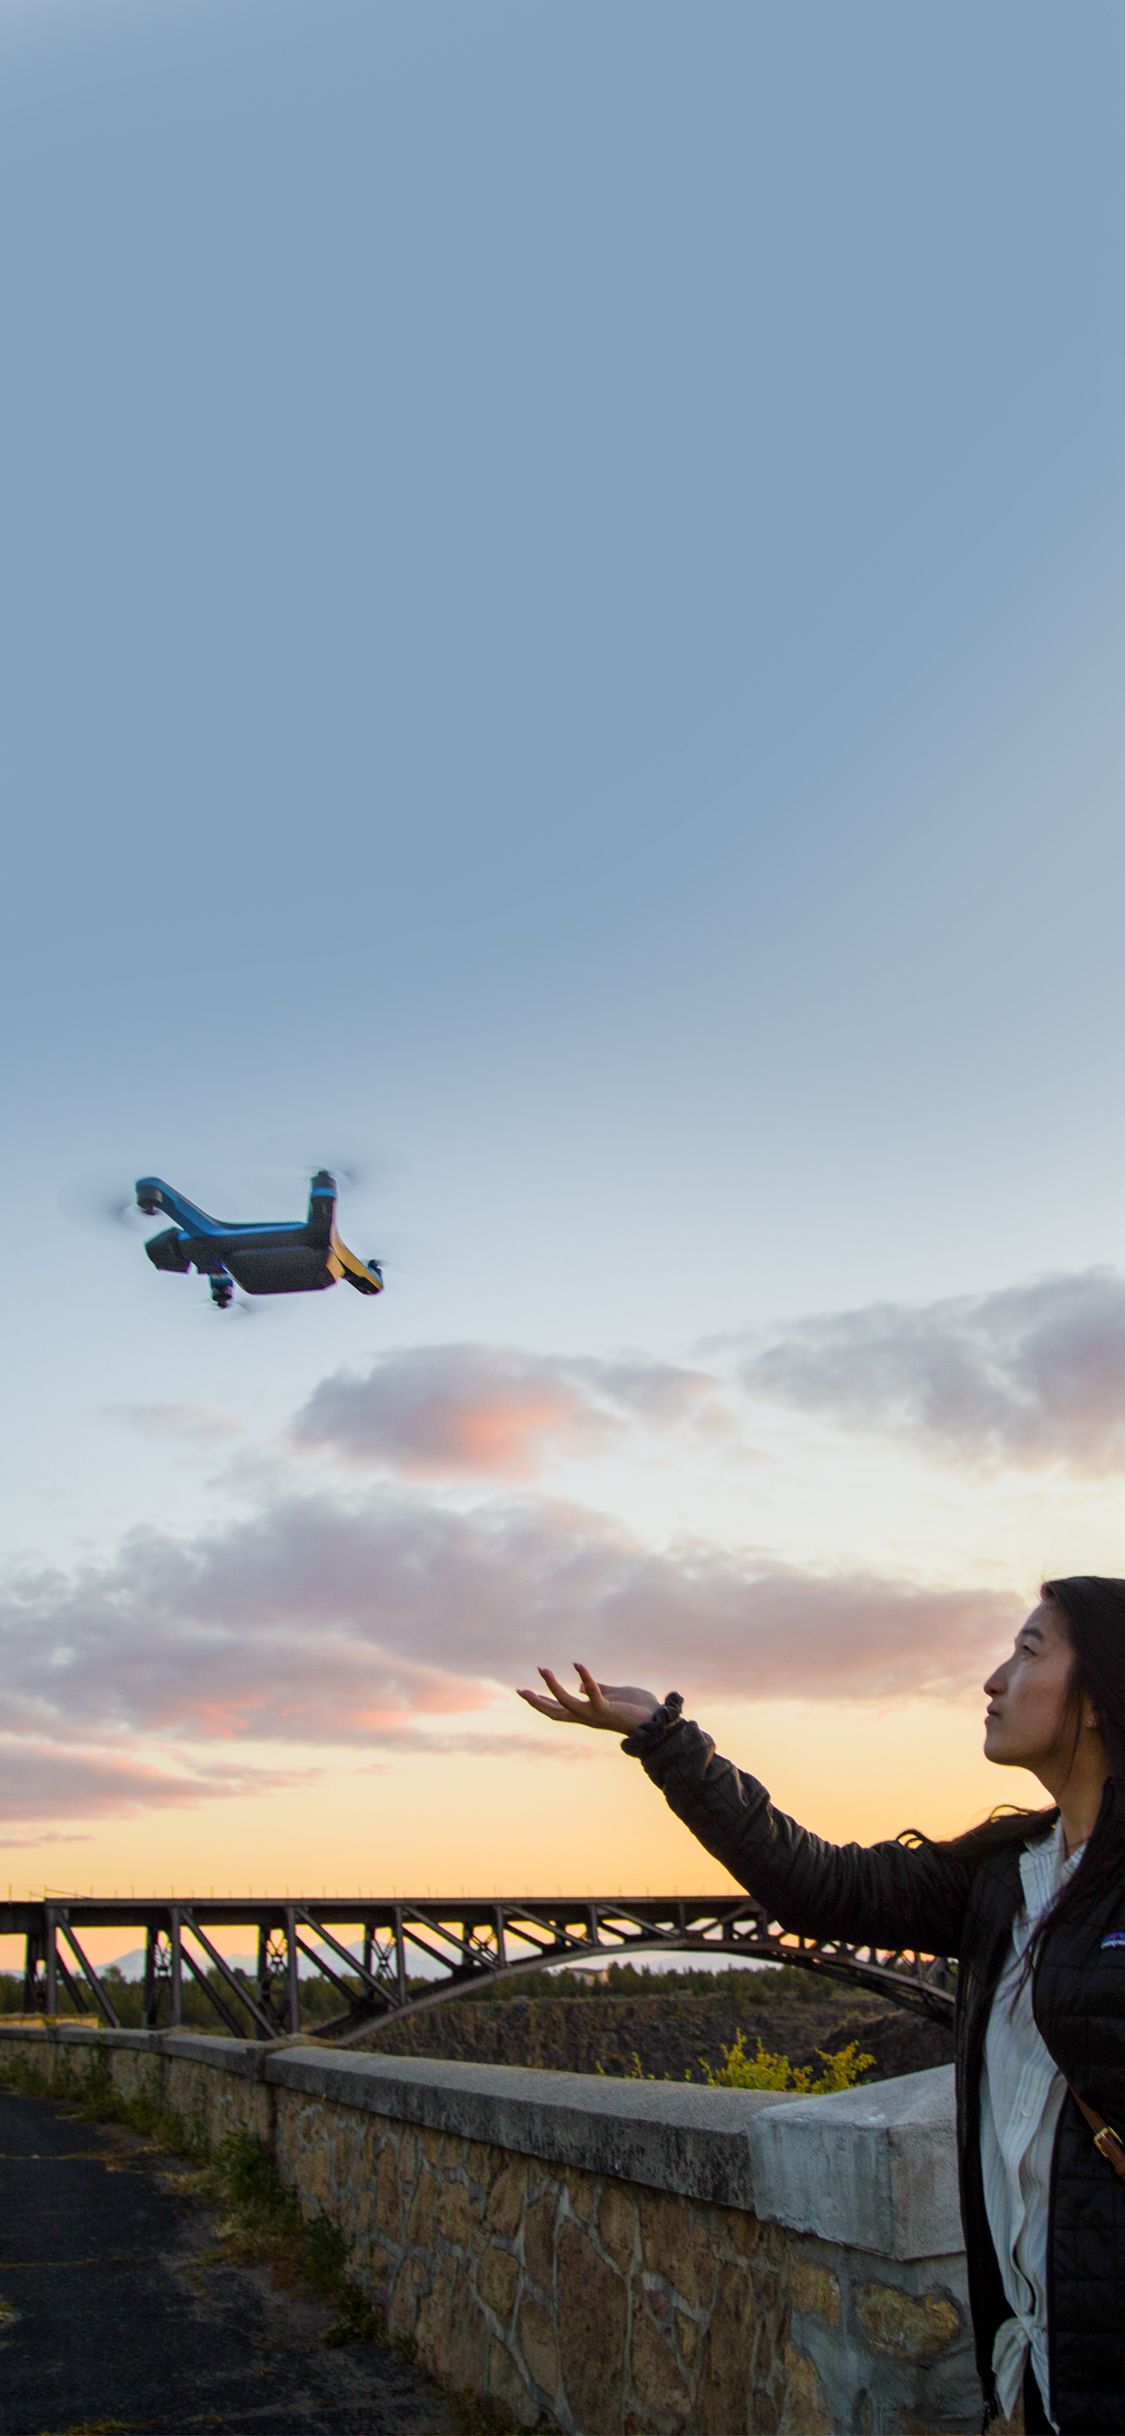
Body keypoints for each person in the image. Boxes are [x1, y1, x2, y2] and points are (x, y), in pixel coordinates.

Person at [517, 1575, 1125, 2435]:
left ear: (1098, 1697)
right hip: (1038, 2371)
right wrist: (665, 1739)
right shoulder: (1007, 1877)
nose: (993, 1678)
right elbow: (817, 1885)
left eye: (1028, 1651)